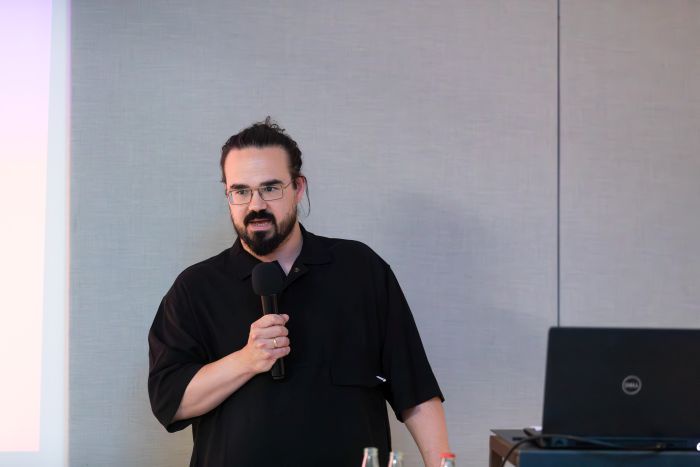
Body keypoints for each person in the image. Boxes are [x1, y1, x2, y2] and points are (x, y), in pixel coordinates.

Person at [148, 118, 450, 466]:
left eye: (270, 188)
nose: (256, 205)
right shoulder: (195, 288)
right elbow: (170, 401)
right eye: (241, 191)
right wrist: (247, 360)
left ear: (298, 188)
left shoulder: (360, 269)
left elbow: (416, 391)